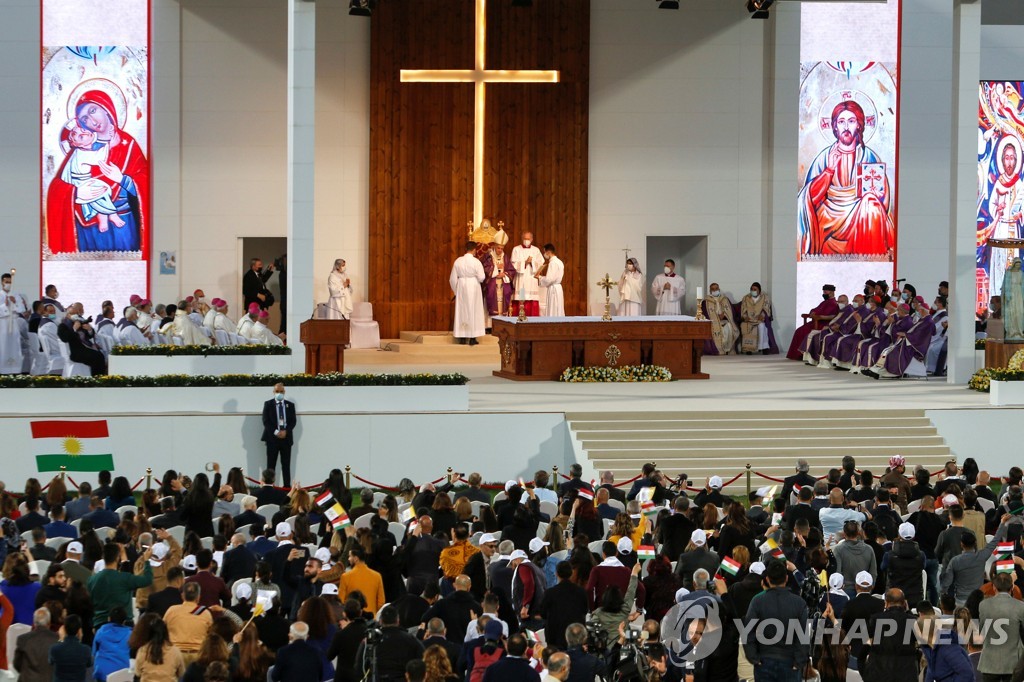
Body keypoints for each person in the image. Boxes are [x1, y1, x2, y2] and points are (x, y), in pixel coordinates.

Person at [798, 100, 894, 257]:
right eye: (841, 122)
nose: (846, 127)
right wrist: (829, 170)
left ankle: (870, 265)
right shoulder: (824, 157)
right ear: (835, 126)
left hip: (861, 215)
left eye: (851, 121)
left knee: (872, 206)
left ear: (859, 125)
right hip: (829, 218)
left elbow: (883, 201)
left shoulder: (868, 156)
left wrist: (870, 198)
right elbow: (809, 197)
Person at [743, 560, 810, 679]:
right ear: (786, 578)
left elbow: (748, 632)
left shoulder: (757, 601)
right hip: (788, 663)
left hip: (765, 661)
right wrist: (799, 662)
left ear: (767, 579)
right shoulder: (799, 603)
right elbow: (803, 635)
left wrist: (754, 658)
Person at [87, 542, 153, 627]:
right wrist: (147, 560)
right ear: (117, 558)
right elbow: (147, 580)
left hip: (100, 625)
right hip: (124, 626)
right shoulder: (125, 578)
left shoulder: (91, 580)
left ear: (103, 557)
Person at [355, 605, 424, 681]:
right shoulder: (411, 640)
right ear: (398, 620)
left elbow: (359, 667)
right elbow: (422, 662)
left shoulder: (371, 640)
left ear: (380, 621)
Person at [978, 572, 1024, 680]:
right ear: (1012, 587)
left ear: (994, 587)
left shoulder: (983, 605)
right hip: (1012, 664)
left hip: (989, 663)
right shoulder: (1021, 606)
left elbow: (982, 632)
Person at [787, 284, 839, 360]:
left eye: (825, 291)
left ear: (832, 292)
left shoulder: (833, 303)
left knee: (803, 331)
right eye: (823, 291)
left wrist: (819, 316)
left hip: (822, 324)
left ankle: (801, 355)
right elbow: (816, 309)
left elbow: (832, 315)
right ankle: (797, 354)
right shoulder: (824, 302)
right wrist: (812, 312)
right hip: (815, 322)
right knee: (799, 331)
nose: (824, 293)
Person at [450, 241, 486, 345]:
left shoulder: (458, 261)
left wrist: (456, 291)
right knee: (473, 310)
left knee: (462, 311)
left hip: (461, 287)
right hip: (473, 287)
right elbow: (481, 277)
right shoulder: (476, 262)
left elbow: (452, 279)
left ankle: (461, 337)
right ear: (474, 250)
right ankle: (472, 338)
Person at [261, 383, 297, 488]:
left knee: (286, 465)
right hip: (272, 439)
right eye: (277, 391)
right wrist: (276, 432)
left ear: (284, 392)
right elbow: (265, 421)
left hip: (286, 439)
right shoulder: (268, 404)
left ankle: (286, 488)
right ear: (273, 392)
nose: (279, 393)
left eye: (281, 391)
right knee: (271, 465)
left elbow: (293, 421)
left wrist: (286, 431)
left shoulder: (290, 405)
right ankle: (269, 487)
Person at [338, 545, 386, 616]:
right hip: (371, 618)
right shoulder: (377, 576)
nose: (348, 559)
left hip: (353, 618)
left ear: (356, 558)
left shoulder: (345, 576)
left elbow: (341, 600)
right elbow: (381, 602)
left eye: (350, 556)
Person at [13, 607, 58, 682]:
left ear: (34, 623)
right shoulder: (57, 639)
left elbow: (17, 664)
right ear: (49, 623)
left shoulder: (23, 639)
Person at [482, 231, 516, 320]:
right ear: (494, 246)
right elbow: (485, 268)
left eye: (502, 248)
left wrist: (504, 274)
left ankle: (502, 322)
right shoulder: (488, 256)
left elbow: (512, 270)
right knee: (491, 298)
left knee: (504, 300)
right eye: (498, 248)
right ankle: (490, 325)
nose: (500, 250)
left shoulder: (505, 257)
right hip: (492, 284)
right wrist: (496, 269)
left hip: (503, 284)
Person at [47, 614, 92, 682]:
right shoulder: (86, 650)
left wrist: (61, 640)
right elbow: (89, 663)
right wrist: (80, 639)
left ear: (64, 630)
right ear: (79, 630)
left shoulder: (54, 649)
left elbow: (50, 662)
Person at [91, 606, 131, 681]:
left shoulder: (100, 632)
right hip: (123, 675)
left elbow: (93, 653)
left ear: (109, 619)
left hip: (102, 675)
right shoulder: (130, 634)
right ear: (124, 621)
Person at [511, 232, 543, 317]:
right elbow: (513, 264)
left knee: (532, 299)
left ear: (532, 240)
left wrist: (532, 262)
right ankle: (520, 319)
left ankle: (532, 322)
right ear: (522, 239)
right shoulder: (516, 249)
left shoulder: (536, 250)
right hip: (521, 279)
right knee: (522, 297)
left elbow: (541, 263)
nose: (526, 241)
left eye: (528, 239)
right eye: (525, 239)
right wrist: (524, 263)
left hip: (532, 279)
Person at [702, 282, 738, 355]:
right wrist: (716, 317)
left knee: (729, 327)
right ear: (710, 291)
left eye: (716, 288)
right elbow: (705, 314)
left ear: (719, 289)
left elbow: (731, 312)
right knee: (716, 328)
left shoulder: (725, 299)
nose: (715, 290)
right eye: (713, 289)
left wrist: (724, 315)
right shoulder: (706, 301)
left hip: (725, 320)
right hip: (713, 322)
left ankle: (727, 349)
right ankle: (719, 349)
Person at [537, 244, 564, 317]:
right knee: (558, 308)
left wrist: (539, 278)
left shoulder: (553, 263)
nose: (544, 254)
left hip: (553, 289)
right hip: (558, 288)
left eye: (544, 252)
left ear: (548, 252)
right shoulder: (559, 261)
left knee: (554, 309)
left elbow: (549, 279)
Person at [1004, 257, 1024, 341]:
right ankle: (1011, 332)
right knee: (1012, 312)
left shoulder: (1021, 273)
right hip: (1011, 293)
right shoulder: (1009, 273)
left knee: (1019, 312)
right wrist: (1008, 294)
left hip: (1019, 293)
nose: (1018, 266)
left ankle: (1019, 331)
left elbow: (1023, 285)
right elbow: (1006, 284)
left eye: (1019, 264)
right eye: (1017, 264)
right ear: (1014, 264)